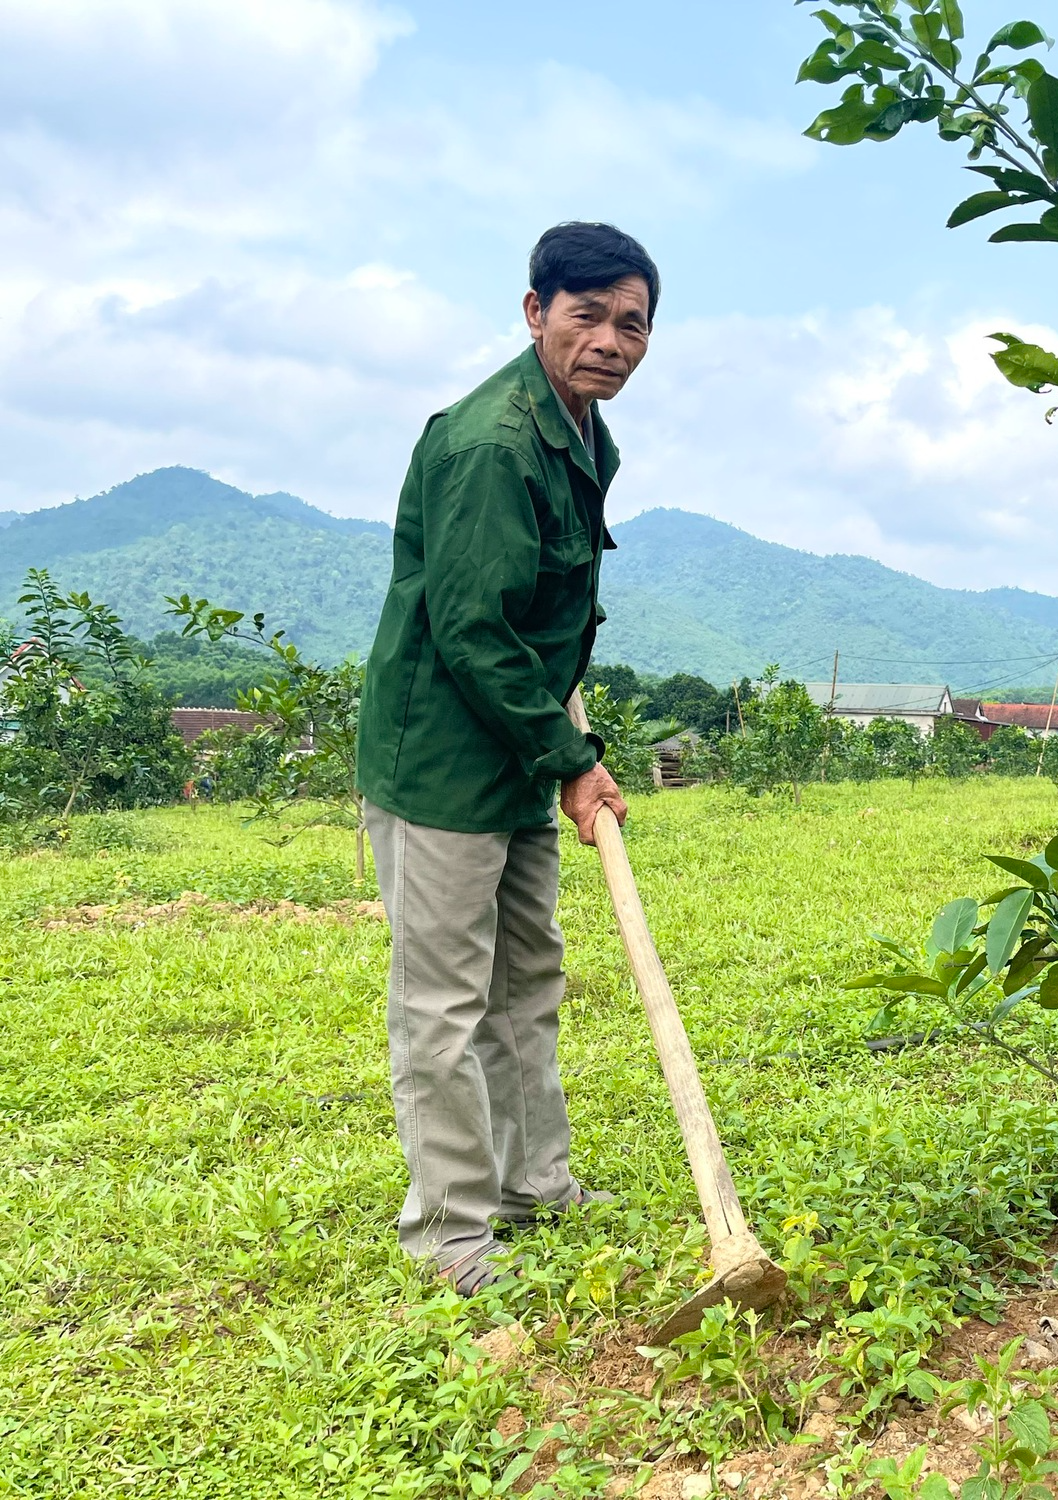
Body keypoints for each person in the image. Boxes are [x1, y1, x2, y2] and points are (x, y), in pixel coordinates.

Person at [356, 221, 655, 1293]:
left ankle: (538, 1187)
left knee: (525, 974)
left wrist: (567, 748)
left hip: (523, 746)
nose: (609, 341)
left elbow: (545, 616)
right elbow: (474, 631)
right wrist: (570, 759)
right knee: (441, 1002)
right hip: (443, 760)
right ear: (535, 313)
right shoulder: (490, 443)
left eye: (631, 323)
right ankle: (449, 1235)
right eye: (586, 316)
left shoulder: (582, 434)